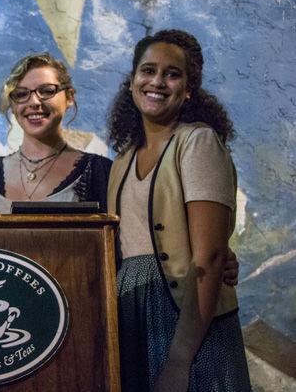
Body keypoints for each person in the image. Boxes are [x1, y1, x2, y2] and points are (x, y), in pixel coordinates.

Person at [107, 29, 250, 391]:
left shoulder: (198, 143)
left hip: (186, 318)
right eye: (148, 70)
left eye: (172, 74)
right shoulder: (121, 161)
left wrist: (179, 360)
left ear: (188, 89)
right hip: (132, 315)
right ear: (132, 81)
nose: (157, 81)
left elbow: (212, 256)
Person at [0, 52, 112, 213]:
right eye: (21, 94)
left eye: (47, 91)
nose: (34, 102)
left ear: (70, 97)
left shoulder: (100, 172)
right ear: (12, 104)